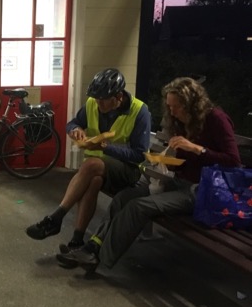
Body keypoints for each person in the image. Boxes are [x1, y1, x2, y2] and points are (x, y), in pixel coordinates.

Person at [57, 77, 241, 272]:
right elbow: (183, 162)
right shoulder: (179, 121)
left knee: (138, 206)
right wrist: (164, 160)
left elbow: (233, 161)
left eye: (176, 107)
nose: (172, 112)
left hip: (202, 190)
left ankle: (97, 258)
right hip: (177, 181)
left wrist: (198, 149)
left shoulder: (216, 119)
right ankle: (92, 246)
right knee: (123, 198)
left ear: (192, 104)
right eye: (169, 106)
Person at [25, 68, 150, 249]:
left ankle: (56, 218)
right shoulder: (93, 103)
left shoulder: (139, 111)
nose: (98, 104)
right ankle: (76, 241)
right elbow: (72, 123)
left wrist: (105, 147)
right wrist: (75, 130)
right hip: (97, 169)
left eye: (103, 100)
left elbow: (139, 155)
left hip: (128, 171)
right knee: (94, 181)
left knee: (91, 165)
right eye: (96, 99)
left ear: (119, 96)